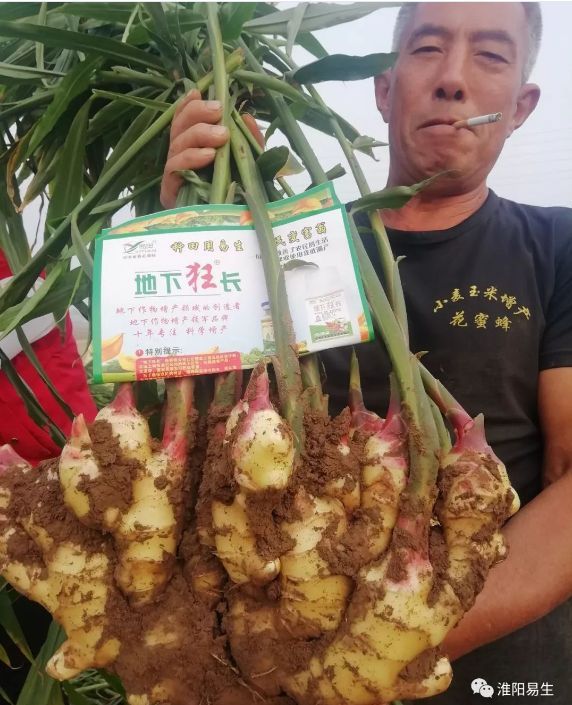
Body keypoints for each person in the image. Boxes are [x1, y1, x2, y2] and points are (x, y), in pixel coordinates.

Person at [160, 3, 572, 703]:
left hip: (499, 664)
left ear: (522, 105)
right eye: (428, 49)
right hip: (282, 648)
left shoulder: (558, 246)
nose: (453, 79)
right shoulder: (289, 246)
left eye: (490, 56)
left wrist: (393, 638)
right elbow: (198, 445)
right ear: (383, 88)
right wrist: (191, 226)